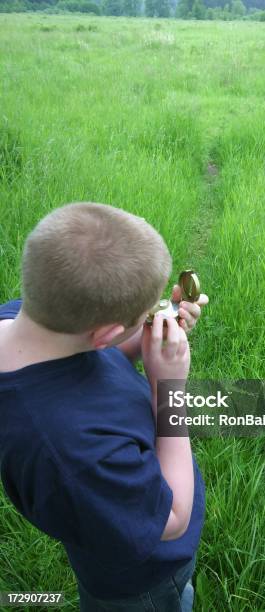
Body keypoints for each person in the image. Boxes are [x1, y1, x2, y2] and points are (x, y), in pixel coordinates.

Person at [0, 202, 209, 611]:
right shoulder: (75, 453)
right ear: (104, 333)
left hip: (112, 515)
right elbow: (173, 518)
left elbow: (98, 353)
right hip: (141, 582)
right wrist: (168, 386)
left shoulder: (22, 322)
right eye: (145, 315)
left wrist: (144, 341)